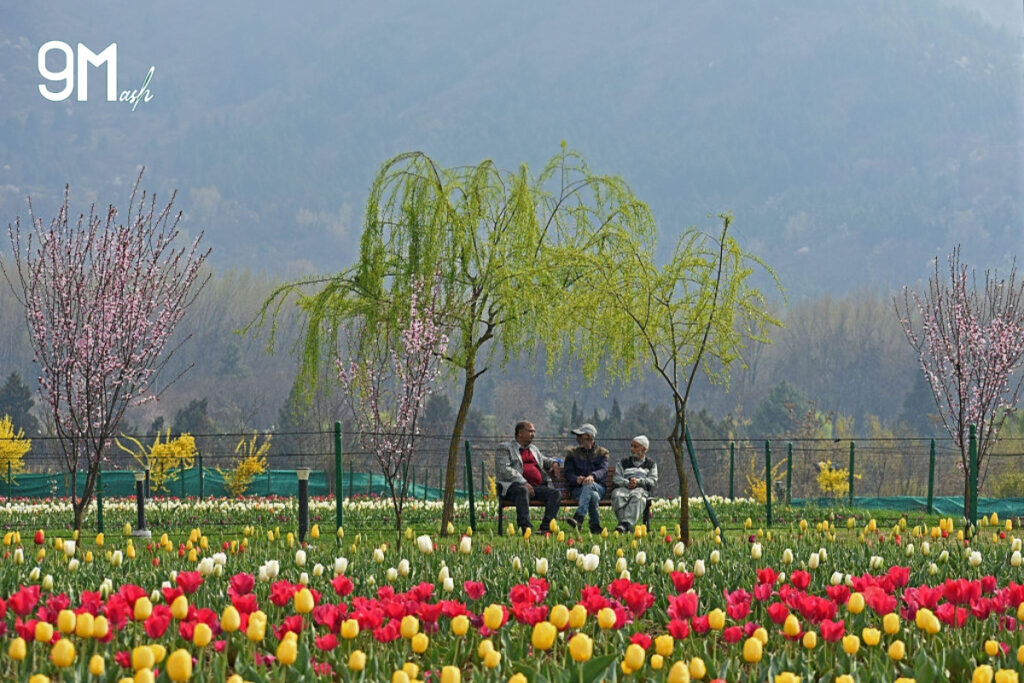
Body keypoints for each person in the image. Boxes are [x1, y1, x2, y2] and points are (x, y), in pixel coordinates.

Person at [495, 420, 562, 534]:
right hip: (512, 487)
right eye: (530, 431)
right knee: (522, 490)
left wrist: (554, 463)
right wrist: (523, 482)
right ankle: (525, 527)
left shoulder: (533, 449)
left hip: (534, 487)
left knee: (555, 494)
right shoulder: (505, 448)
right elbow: (505, 469)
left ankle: (545, 527)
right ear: (520, 433)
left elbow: (544, 460)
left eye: (534, 431)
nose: (533, 434)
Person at [563, 423, 609, 533]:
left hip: (598, 487)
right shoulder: (572, 454)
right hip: (578, 490)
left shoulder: (602, 453)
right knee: (592, 496)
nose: (578, 439)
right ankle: (595, 526)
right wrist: (576, 479)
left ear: (589, 438)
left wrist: (592, 476)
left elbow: (603, 470)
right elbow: (568, 473)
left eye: (581, 436)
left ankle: (579, 517)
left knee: (589, 486)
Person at [611, 435, 658, 534]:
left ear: (644, 449)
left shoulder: (651, 464)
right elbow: (616, 478)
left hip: (640, 490)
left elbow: (652, 480)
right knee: (617, 496)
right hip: (624, 489)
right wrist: (627, 483)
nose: (632, 449)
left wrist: (639, 481)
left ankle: (624, 525)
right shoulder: (623, 463)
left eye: (635, 447)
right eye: (631, 446)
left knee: (638, 497)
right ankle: (626, 526)